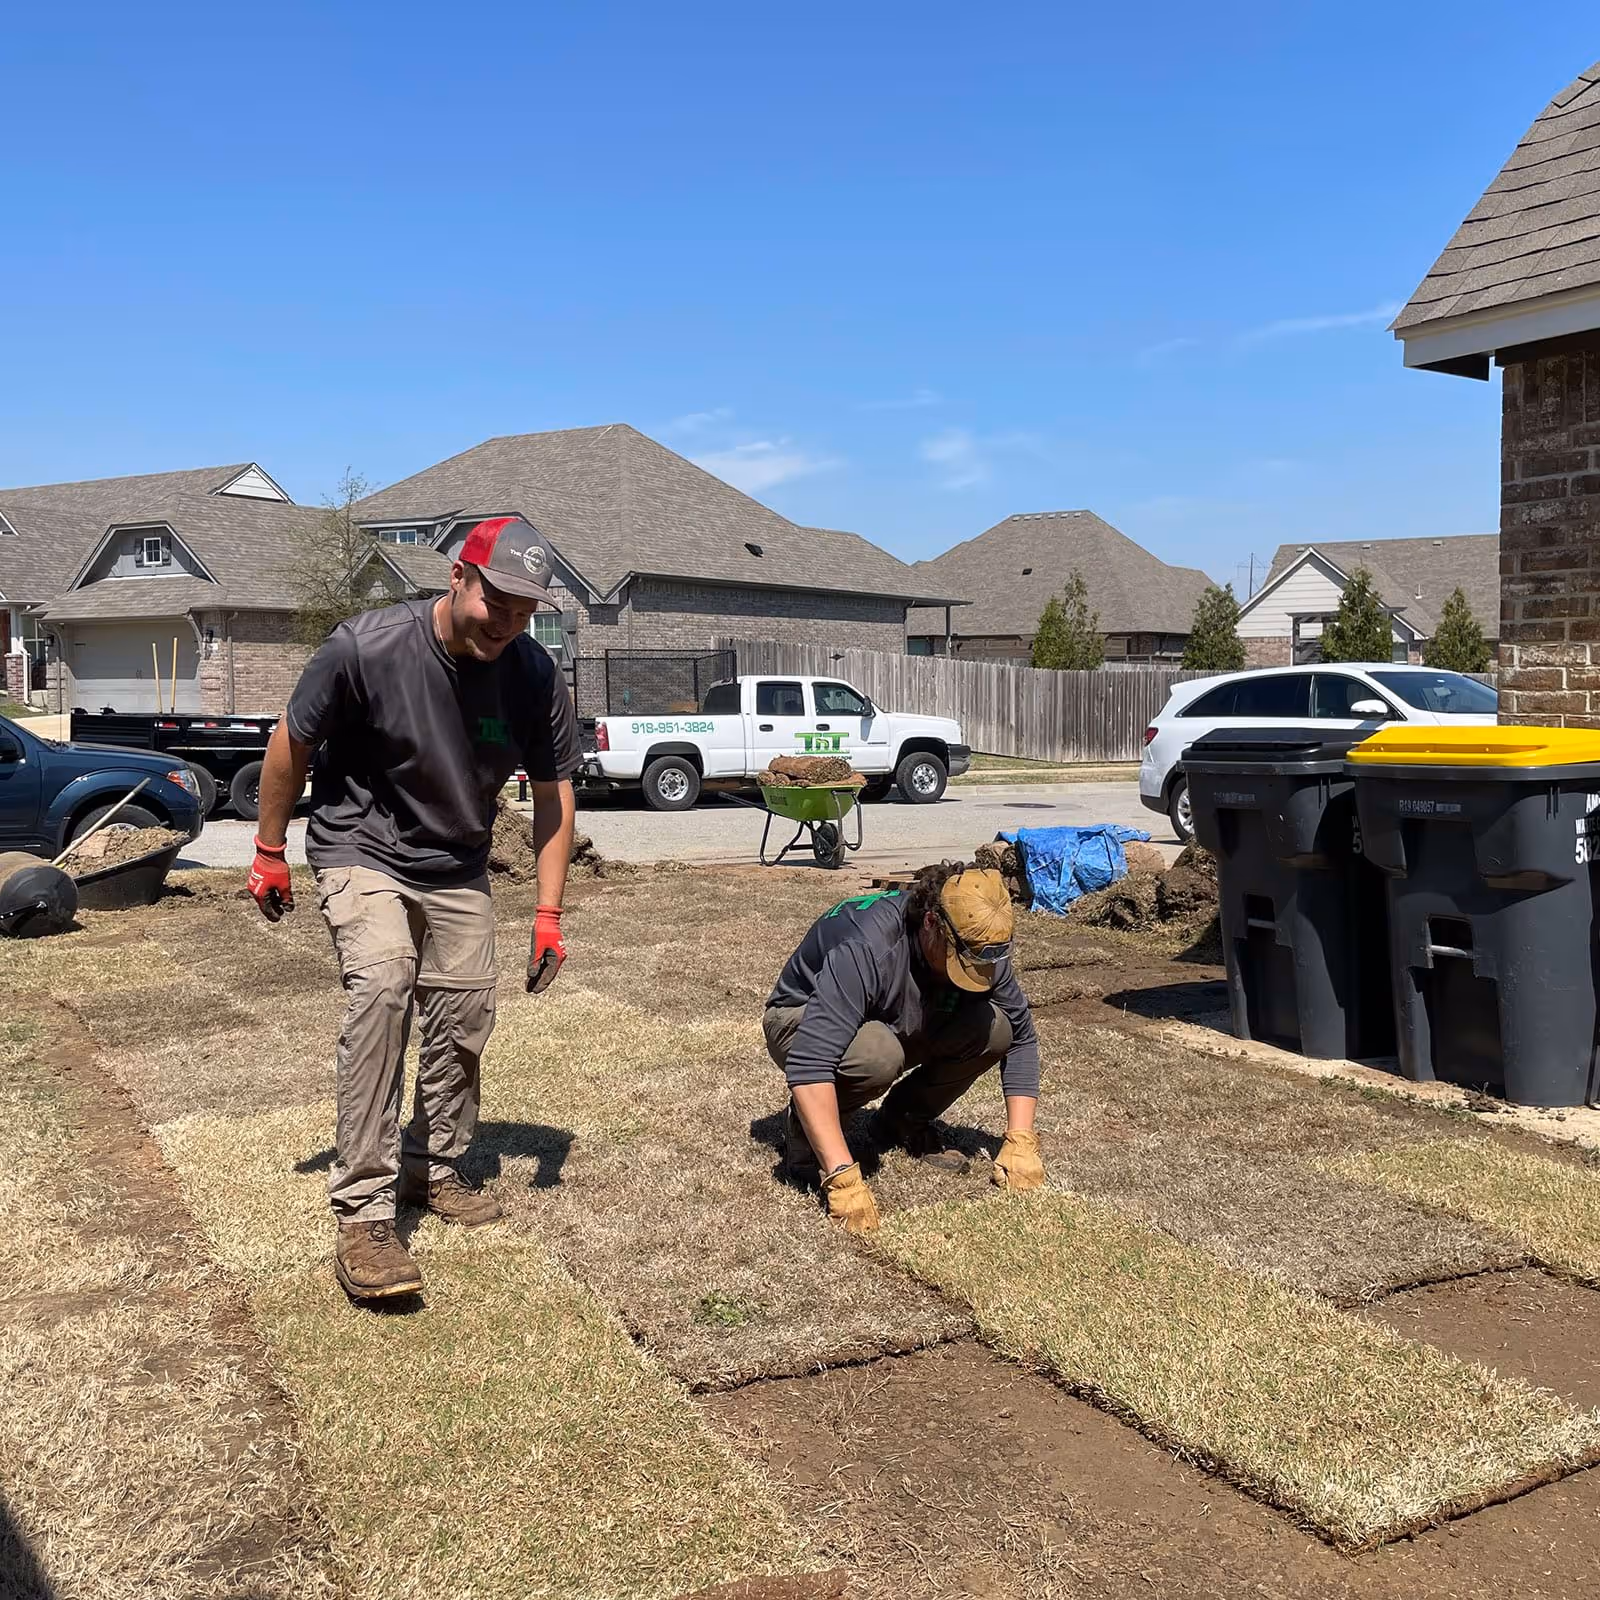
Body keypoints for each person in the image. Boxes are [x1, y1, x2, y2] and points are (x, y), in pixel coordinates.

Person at [246, 516, 580, 1301]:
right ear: (458, 576)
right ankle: (364, 1210)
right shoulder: (366, 647)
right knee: (387, 981)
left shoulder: (532, 674)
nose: (508, 621)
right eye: (497, 599)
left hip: (457, 861)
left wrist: (549, 913)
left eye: (526, 609)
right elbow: (290, 741)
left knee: (466, 1012)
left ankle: (434, 1167)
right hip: (361, 846)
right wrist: (268, 851)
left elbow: (556, 796)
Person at [762, 864, 1045, 1233]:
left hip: (885, 1013)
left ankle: (902, 1121)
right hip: (798, 1018)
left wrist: (1020, 1139)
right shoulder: (868, 947)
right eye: (961, 961)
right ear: (930, 922)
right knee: (878, 1054)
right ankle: (806, 1136)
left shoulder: (980, 941)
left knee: (993, 1029)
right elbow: (811, 1063)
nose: (974, 971)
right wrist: (842, 1177)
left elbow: (1021, 1037)